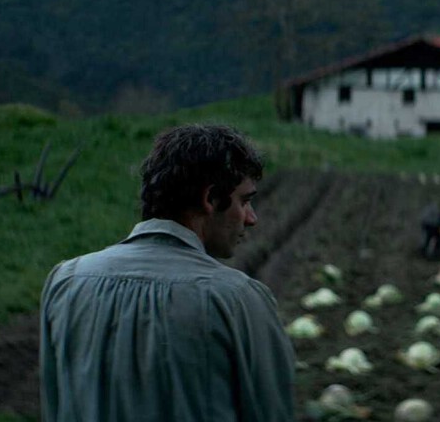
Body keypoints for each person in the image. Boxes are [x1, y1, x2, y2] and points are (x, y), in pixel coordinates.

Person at [40, 124, 296, 422]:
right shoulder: (238, 299)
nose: (252, 218)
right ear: (211, 199)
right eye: (245, 201)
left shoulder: (66, 281)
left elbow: (54, 406)